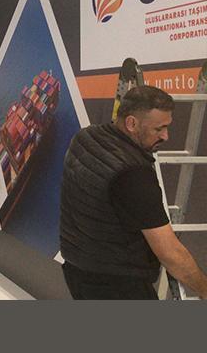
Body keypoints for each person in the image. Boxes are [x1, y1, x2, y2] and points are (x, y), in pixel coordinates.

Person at [60, 85, 207, 299]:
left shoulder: (85, 137)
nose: (166, 136)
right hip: (115, 286)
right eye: (159, 129)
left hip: (76, 270)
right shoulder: (132, 174)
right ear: (131, 123)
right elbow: (170, 253)